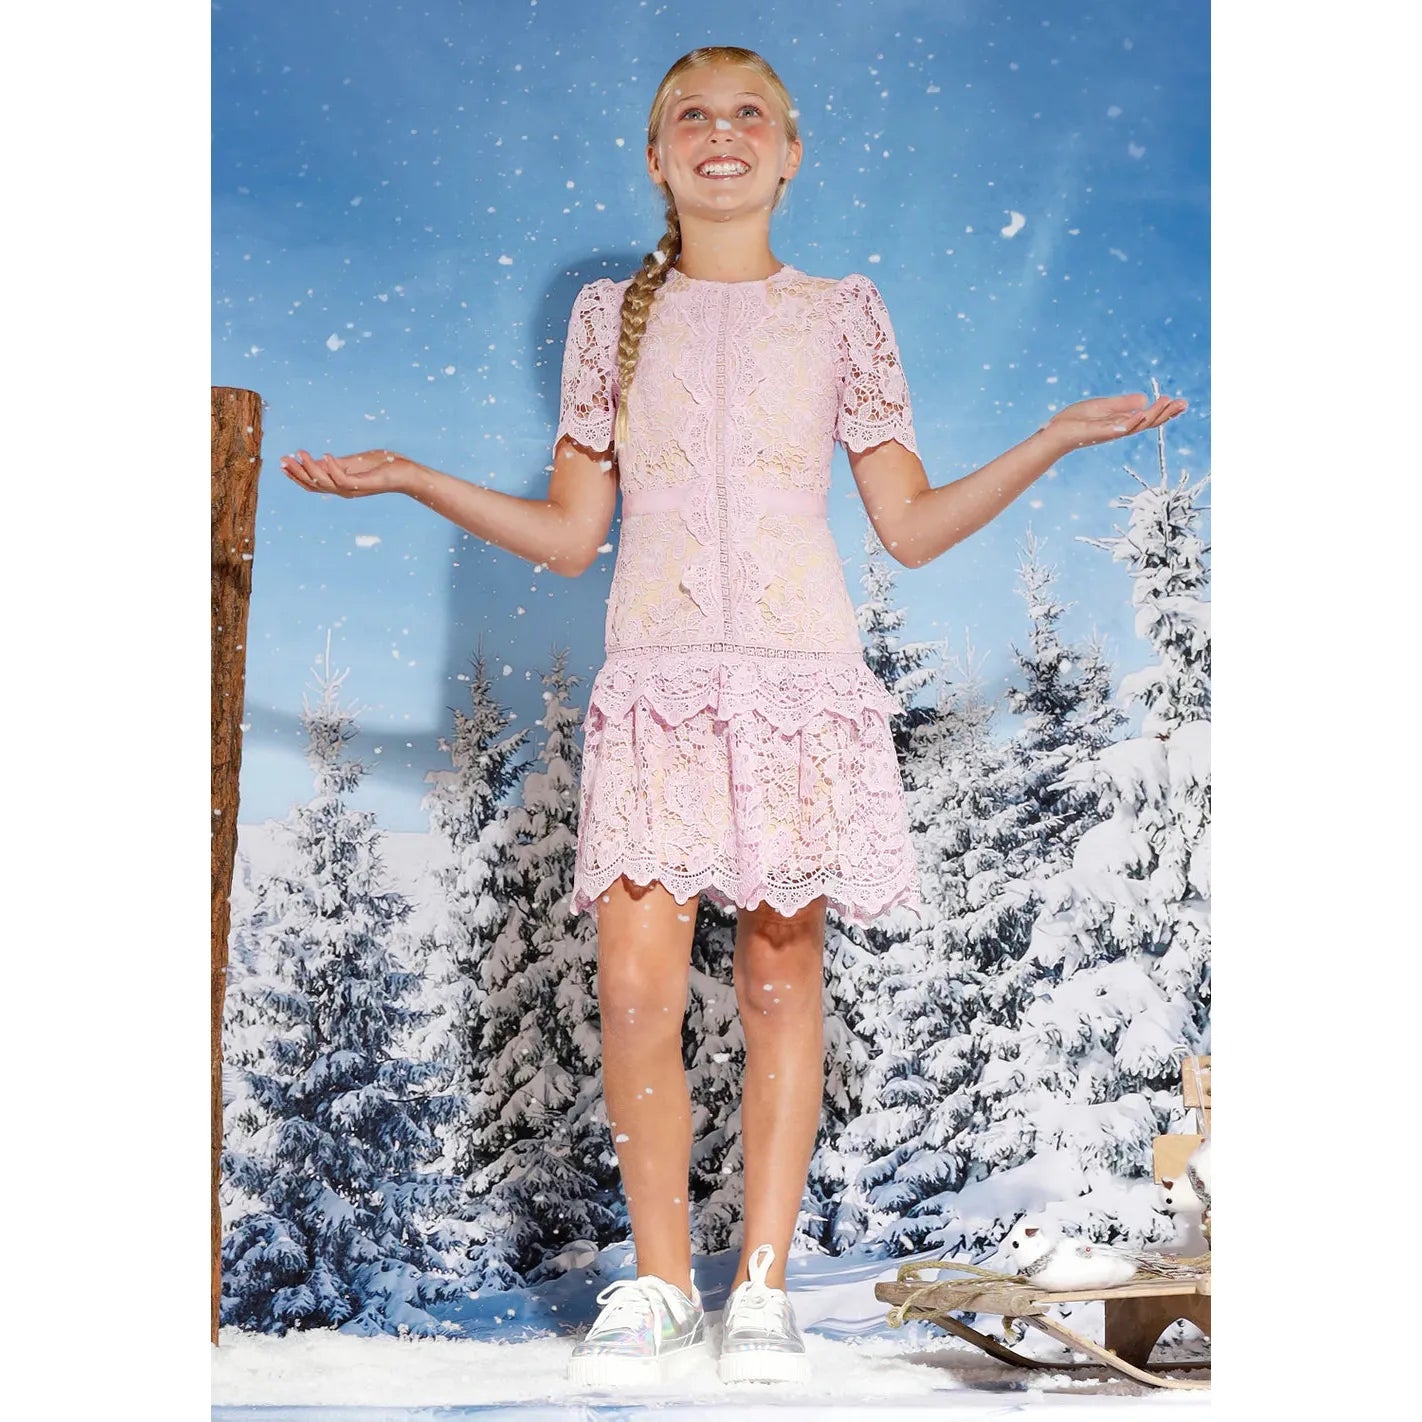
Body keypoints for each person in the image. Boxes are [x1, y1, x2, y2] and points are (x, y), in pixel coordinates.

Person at [280, 43, 1187, 1391]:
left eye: (749, 114)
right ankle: (659, 1286)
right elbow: (571, 533)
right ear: (655, 157)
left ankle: (760, 1288)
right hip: (657, 685)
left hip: (794, 683)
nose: (723, 132)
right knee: (635, 989)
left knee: (775, 978)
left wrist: (1050, 437)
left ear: (790, 152)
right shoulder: (608, 319)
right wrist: (415, 476)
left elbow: (908, 525)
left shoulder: (840, 315)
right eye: (692, 116)